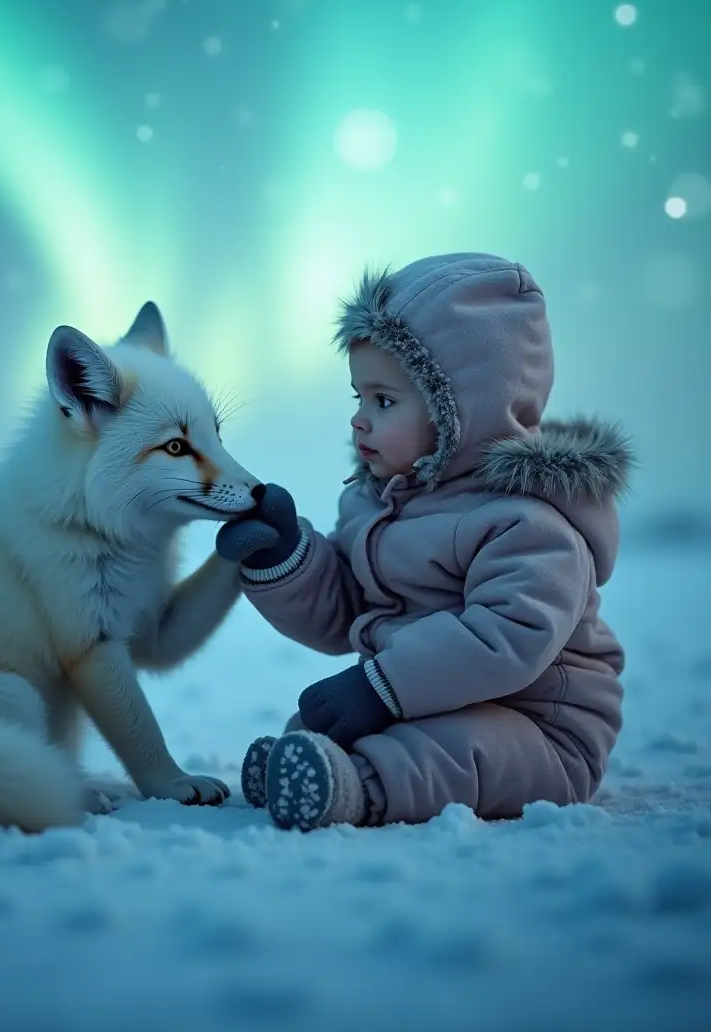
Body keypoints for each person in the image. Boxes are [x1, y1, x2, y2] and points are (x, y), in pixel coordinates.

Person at [216, 253, 634, 831]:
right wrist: (286, 560)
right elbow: (346, 610)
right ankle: (322, 765)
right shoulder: (378, 505)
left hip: (537, 731)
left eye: (384, 401)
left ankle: (356, 786)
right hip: (425, 697)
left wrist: (381, 685)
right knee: (318, 725)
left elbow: (507, 635)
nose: (360, 419)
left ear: (460, 412)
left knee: (444, 748)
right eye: (358, 397)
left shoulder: (529, 524)